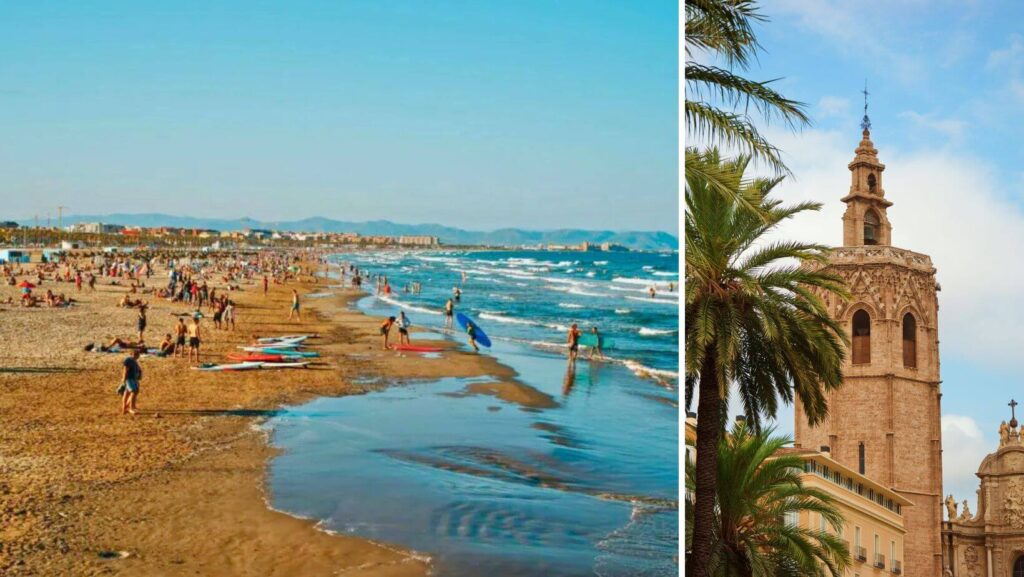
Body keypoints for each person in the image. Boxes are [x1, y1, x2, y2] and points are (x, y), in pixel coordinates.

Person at [120, 349, 142, 416]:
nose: (138, 356)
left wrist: (137, 379)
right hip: (129, 379)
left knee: (127, 392)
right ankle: (131, 408)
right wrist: (124, 379)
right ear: (132, 354)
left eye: (138, 354)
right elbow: (125, 370)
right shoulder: (128, 360)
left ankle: (125, 407)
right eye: (136, 354)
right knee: (134, 391)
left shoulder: (134, 361)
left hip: (133, 379)